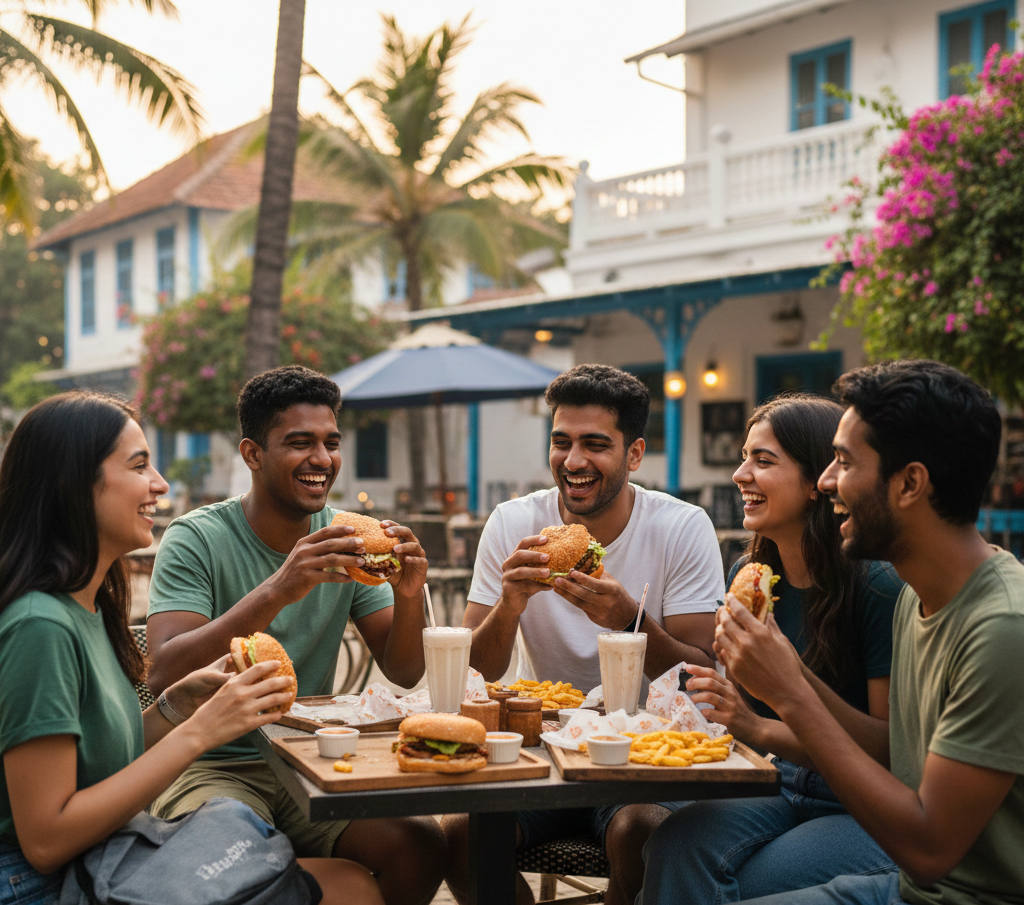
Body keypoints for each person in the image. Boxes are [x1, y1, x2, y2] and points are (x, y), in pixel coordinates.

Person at [0, 391, 383, 905]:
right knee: (349, 890)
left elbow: (95, 759)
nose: (160, 484)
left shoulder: (84, 609)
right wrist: (204, 731)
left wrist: (176, 708)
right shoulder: (38, 626)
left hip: (101, 854)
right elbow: (46, 840)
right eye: (139, 466)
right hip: (45, 883)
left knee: (355, 882)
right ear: (75, 485)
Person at [714, 360, 1024, 905]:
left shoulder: (1002, 629)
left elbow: (929, 849)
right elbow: (895, 753)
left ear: (910, 483)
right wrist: (783, 676)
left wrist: (789, 691)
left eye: (843, 462)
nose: (826, 481)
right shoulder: (916, 595)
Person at [144, 366, 445, 905]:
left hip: (305, 761)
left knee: (419, 843)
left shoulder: (348, 538)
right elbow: (165, 671)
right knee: (247, 862)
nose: (322, 459)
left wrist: (407, 597)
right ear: (252, 454)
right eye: (299, 443)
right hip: (208, 763)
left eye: (331, 443)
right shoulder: (196, 537)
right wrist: (279, 587)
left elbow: (404, 670)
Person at [442, 364, 725, 905]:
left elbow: (702, 671)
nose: (573, 462)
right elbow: (473, 673)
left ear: (634, 454)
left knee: (640, 833)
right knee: (459, 836)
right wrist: (510, 605)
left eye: (595, 444)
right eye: (561, 442)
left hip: (642, 758)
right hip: (539, 748)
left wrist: (630, 620)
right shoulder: (511, 523)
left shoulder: (681, 527)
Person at [638, 394, 903, 904]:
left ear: (815, 482)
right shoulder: (750, 579)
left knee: (742, 886)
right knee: (671, 847)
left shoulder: (877, 587)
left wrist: (756, 721)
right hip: (772, 780)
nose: (740, 475)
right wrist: (722, 700)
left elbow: (889, 751)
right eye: (744, 457)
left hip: (857, 804)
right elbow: (740, 714)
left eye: (763, 461)